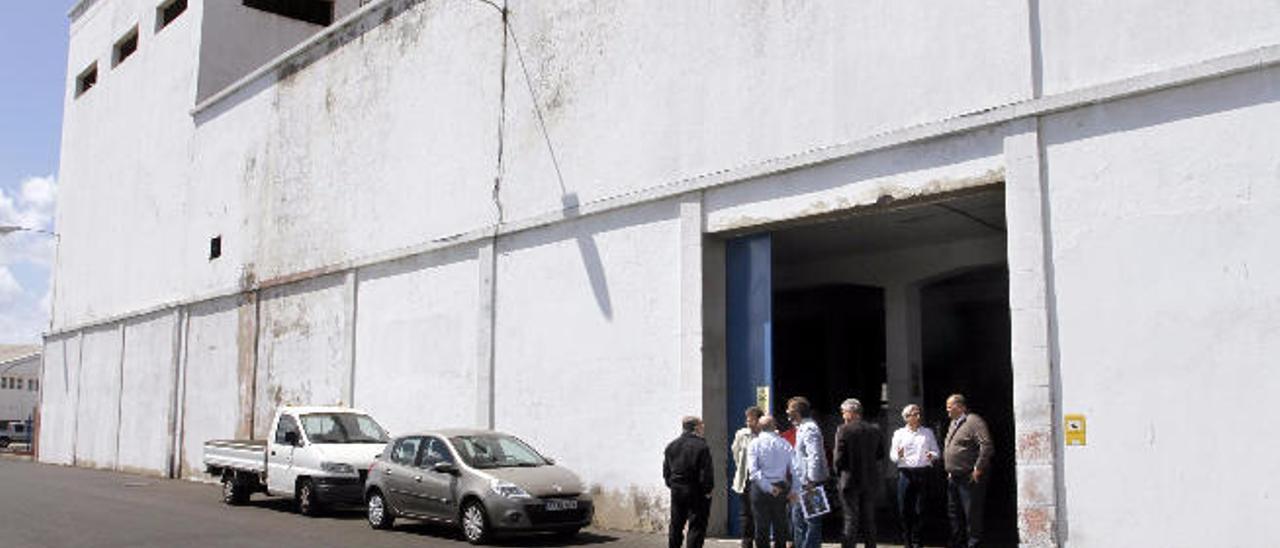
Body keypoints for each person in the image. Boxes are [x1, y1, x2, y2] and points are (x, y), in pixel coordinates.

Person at [833, 398, 884, 548]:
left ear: (852, 413)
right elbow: (880, 454)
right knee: (869, 519)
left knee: (850, 519)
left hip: (849, 480)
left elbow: (838, 458)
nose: (843, 416)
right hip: (870, 480)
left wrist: (838, 473)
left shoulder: (843, 429)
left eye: (844, 412)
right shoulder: (875, 429)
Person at [943, 394, 993, 548]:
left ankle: (974, 544)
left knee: (971, 514)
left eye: (950, 407)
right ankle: (958, 543)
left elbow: (986, 445)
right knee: (954, 514)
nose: (947, 410)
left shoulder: (973, 421)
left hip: (969, 477)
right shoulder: (953, 423)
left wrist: (978, 468)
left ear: (960, 407)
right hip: (954, 477)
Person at [890, 404, 940, 548]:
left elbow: (937, 451)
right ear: (906, 418)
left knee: (920, 509)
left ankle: (918, 541)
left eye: (919, 413)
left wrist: (932, 455)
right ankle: (907, 540)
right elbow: (892, 456)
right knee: (904, 509)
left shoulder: (927, 432)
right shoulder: (899, 433)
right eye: (914, 414)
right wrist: (898, 455)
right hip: (905, 474)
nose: (918, 416)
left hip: (922, 473)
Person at [664, 416, 715, 548]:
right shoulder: (702, 446)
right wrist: (708, 490)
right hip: (696, 491)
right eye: (702, 425)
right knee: (696, 526)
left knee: (676, 524)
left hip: (677, 490)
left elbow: (666, 472)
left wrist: (673, 485)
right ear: (696, 427)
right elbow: (706, 473)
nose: (703, 428)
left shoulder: (671, 445)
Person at [785, 396, 829, 548]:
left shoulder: (810, 428)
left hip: (809, 483)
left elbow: (814, 455)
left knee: (812, 522)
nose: (786, 412)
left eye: (789, 409)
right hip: (800, 483)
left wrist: (811, 480)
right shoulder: (801, 427)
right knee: (798, 520)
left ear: (797, 412)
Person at [747, 416, 794, 548]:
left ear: (760, 427)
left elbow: (754, 471)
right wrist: (794, 489)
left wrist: (768, 487)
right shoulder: (785, 444)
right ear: (774, 426)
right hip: (780, 486)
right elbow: (794, 470)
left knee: (761, 526)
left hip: (760, 487)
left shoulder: (754, 443)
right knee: (780, 525)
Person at [732, 406, 765, 548]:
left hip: (762, 481)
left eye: (751, 420)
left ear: (759, 420)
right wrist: (743, 468)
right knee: (746, 514)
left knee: (761, 513)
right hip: (746, 480)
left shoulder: (767, 434)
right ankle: (747, 542)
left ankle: (761, 541)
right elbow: (736, 453)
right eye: (747, 420)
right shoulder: (742, 434)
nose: (748, 423)